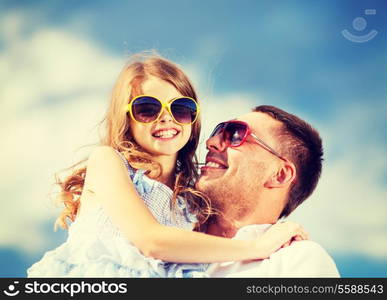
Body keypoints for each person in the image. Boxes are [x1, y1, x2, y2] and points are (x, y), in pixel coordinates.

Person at [27, 54, 307, 278]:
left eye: (180, 108)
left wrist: (283, 234)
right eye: (147, 109)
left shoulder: (190, 201)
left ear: (193, 118)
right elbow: (151, 241)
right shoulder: (109, 162)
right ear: (125, 117)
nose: (166, 118)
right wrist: (256, 248)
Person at [196, 105, 340, 277]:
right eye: (219, 131)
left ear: (280, 175)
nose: (211, 143)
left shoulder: (297, 260)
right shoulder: (164, 223)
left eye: (236, 135)